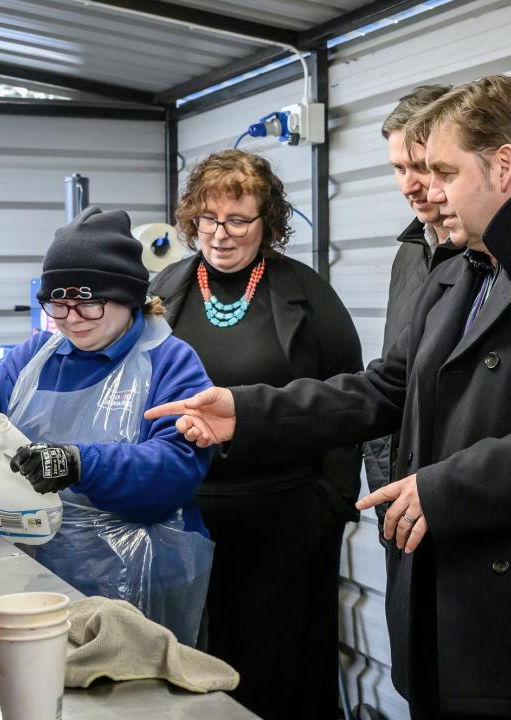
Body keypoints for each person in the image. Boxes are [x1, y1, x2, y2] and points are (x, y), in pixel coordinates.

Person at [148, 75, 511, 719]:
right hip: (443, 608)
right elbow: (385, 387)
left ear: (503, 164)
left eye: (445, 172)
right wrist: (250, 410)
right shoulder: (453, 272)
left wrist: (447, 488)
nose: (427, 190)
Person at [0, 206, 216, 646]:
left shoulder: (170, 361)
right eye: (57, 304)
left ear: (127, 297)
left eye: (88, 302)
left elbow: (177, 465)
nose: (71, 318)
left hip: (138, 577)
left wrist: (80, 463)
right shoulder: (36, 356)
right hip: (35, 571)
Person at [148, 149, 362, 720]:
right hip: (186, 518)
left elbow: (352, 402)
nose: (220, 234)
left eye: (238, 220)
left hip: (288, 521)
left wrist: (332, 501)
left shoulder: (306, 295)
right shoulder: (163, 293)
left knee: (284, 673)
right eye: (208, 218)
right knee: (196, 666)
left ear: (267, 223)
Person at [364, 84, 461, 517]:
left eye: (421, 166)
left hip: (455, 501)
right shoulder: (409, 252)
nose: (410, 185)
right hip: (401, 501)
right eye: (398, 168)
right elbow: (394, 383)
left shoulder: (492, 256)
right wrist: (385, 485)